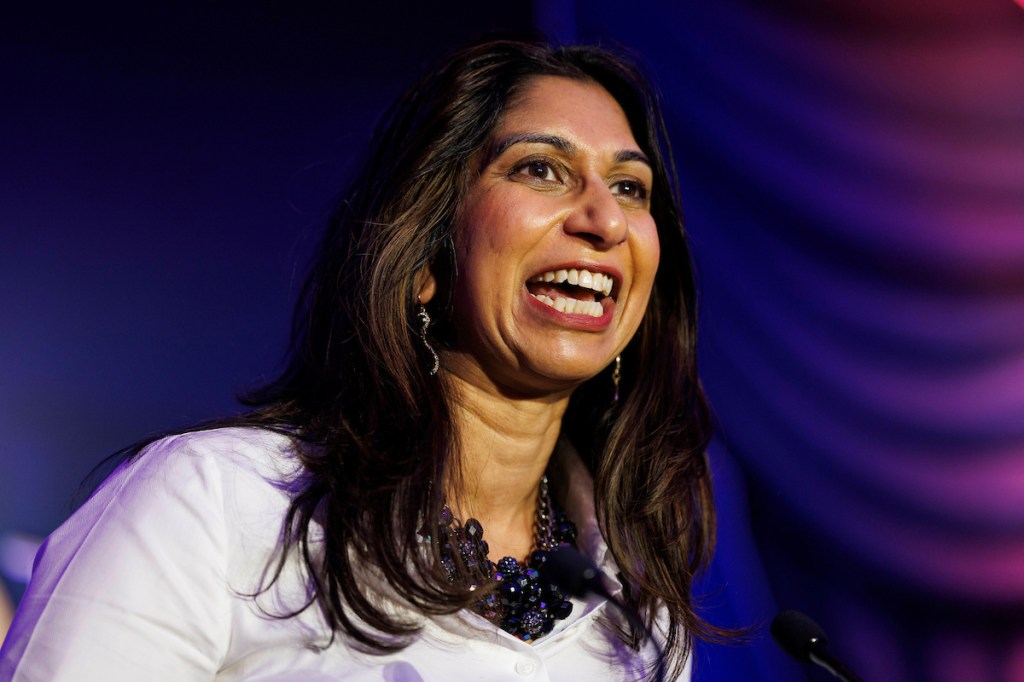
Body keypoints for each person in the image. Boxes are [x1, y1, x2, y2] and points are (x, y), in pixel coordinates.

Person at [0, 38, 720, 681]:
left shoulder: (642, 619)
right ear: (425, 254)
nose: (605, 219)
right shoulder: (215, 503)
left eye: (630, 188)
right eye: (540, 169)